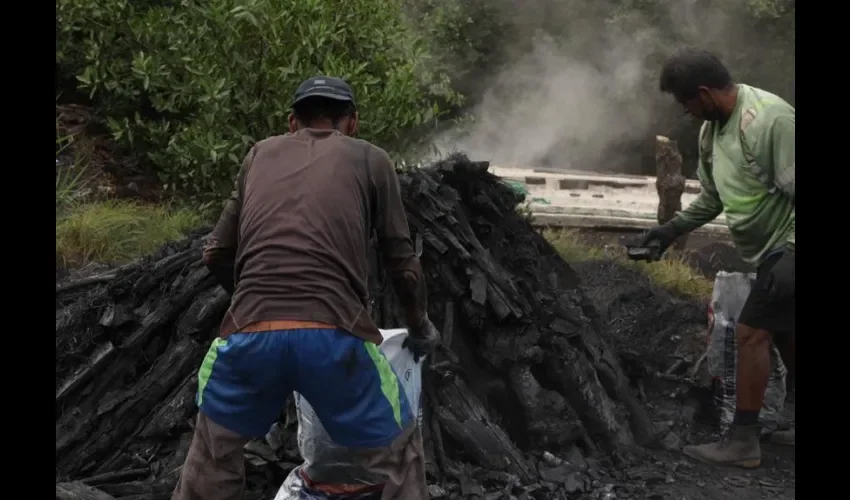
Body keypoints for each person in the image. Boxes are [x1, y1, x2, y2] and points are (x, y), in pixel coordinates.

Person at [171, 76, 441, 500]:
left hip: (248, 337)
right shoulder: (371, 158)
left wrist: (251, 304)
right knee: (400, 455)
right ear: (352, 122)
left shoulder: (258, 154)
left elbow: (215, 253)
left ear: (292, 122)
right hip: (336, 338)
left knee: (211, 459)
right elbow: (401, 263)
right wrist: (420, 327)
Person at [642, 49, 795, 467]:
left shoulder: (769, 121)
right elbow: (713, 197)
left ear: (705, 94)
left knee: (750, 332)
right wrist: (669, 230)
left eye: (685, 102)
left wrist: (793, 252)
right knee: (784, 334)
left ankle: (743, 441)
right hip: (771, 251)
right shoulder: (712, 133)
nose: (685, 112)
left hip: (789, 246)